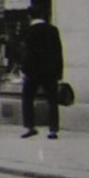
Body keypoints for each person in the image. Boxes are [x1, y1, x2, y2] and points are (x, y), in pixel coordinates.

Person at [21, 10, 65, 140]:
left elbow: (26, 53)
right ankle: (53, 129)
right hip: (50, 70)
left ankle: (30, 126)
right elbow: (58, 51)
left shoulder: (28, 31)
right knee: (52, 100)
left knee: (27, 98)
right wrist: (59, 71)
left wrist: (25, 69)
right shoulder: (52, 30)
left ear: (29, 16)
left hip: (33, 71)